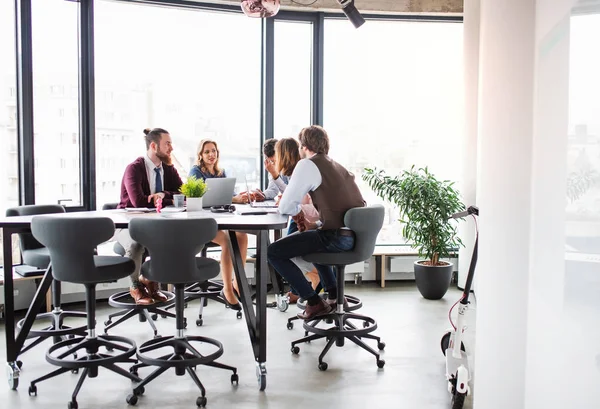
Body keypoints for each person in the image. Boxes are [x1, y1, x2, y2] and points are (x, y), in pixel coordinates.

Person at [267, 125, 365, 320]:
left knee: (273, 252)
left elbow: (285, 207)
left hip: (336, 237)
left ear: (303, 147)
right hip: (355, 236)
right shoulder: (336, 165)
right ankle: (335, 294)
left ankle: (314, 302)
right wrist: (314, 224)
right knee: (311, 239)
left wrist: (298, 214)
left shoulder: (308, 164)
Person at [117, 128, 182, 305]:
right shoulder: (134, 168)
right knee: (136, 243)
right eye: (167, 144)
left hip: (155, 225)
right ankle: (135, 286)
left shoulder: (168, 168)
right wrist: (156, 199)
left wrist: (162, 194)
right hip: (127, 225)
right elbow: (138, 201)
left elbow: (181, 195)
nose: (171, 148)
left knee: (171, 240)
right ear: (154, 146)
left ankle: (150, 280)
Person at [188, 139, 249, 310]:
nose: (211, 154)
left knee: (241, 236)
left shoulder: (220, 172)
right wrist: (233, 198)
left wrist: (239, 197)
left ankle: (237, 282)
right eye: (207, 152)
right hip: (201, 224)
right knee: (229, 241)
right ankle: (227, 290)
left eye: (213, 151)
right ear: (200, 155)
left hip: (219, 221)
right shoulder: (196, 171)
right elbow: (203, 198)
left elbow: (228, 194)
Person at [271, 138, 321, 303]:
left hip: (319, 225)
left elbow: (297, 205)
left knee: (277, 251)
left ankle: (309, 289)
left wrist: (292, 206)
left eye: (276, 157)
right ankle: (312, 283)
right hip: (322, 223)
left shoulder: (303, 171)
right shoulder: (304, 170)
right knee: (290, 233)